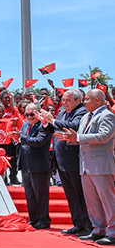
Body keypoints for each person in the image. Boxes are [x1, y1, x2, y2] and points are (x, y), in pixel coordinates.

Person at [56, 89, 115, 245]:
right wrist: (71, 138)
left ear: (97, 100)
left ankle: (113, 232)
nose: (84, 102)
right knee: (92, 201)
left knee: (107, 200)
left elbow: (104, 136)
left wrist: (78, 137)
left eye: (87, 99)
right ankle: (98, 229)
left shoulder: (107, 115)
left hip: (101, 165)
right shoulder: (86, 117)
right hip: (85, 164)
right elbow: (81, 138)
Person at [43, 89, 91, 236]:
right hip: (62, 160)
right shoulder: (63, 113)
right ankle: (77, 224)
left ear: (78, 101)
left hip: (74, 160)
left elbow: (73, 126)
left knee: (80, 195)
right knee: (71, 195)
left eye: (68, 100)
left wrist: (52, 120)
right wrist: (46, 123)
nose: (64, 103)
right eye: (63, 100)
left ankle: (87, 226)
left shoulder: (82, 112)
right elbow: (56, 128)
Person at [9, 102, 54, 229]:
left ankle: (43, 220)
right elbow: (22, 140)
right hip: (26, 165)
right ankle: (33, 218)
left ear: (38, 113)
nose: (29, 117)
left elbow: (39, 141)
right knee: (30, 195)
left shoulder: (44, 126)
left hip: (39, 166)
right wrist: (16, 138)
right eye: (27, 114)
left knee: (41, 195)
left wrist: (21, 138)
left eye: (32, 114)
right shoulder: (25, 125)